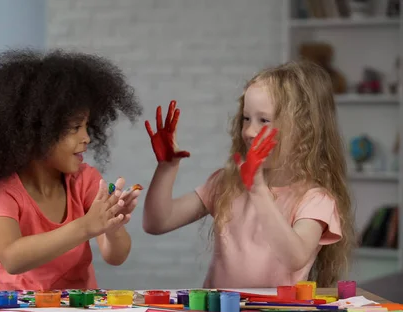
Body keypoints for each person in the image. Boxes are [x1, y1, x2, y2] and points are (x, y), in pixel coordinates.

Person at [142, 60, 354, 288]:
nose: (249, 132)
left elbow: (295, 257)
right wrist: (167, 167)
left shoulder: (316, 200)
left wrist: (258, 190)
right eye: (246, 119)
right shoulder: (227, 183)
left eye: (263, 120)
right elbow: (157, 222)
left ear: (303, 130)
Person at [0, 48, 143, 291]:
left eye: (86, 126)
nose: (86, 138)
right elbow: (12, 258)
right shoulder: (3, 192)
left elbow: (116, 256)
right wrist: (85, 226)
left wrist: (112, 227)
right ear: (37, 132)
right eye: (74, 128)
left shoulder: (85, 180)